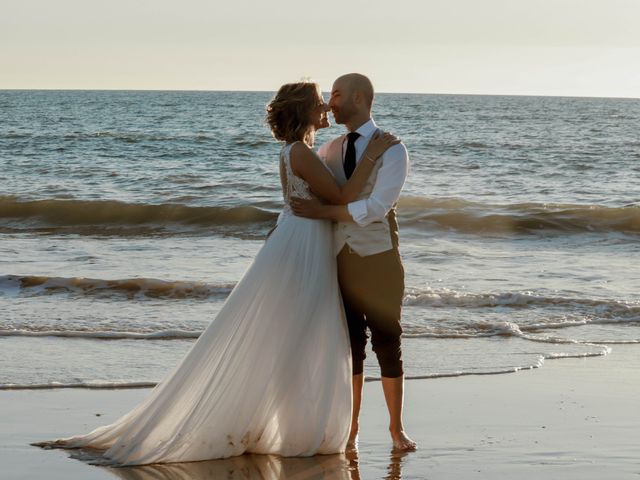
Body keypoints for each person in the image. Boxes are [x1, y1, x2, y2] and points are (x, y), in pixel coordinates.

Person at [31, 81, 399, 466]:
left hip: (301, 239)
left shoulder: (298, 151)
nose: (325, 105)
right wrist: (373, 157)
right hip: (304, 243)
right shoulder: (301, 152)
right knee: (302, 329)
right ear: (303, 111)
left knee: (300, 331)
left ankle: (291, 422)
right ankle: (294, 425)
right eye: (318, 101)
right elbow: (342, 198)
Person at [291, 73, 417, 451]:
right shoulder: (329, 149)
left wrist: (324, 213)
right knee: (350, 346)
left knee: (387, 341)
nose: (331, 102)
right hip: (339, 260)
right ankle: (351, 428)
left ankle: (396, 429)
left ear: (359, 98)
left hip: (378, 259)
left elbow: (378, 208)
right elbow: (323, 192)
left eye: (338, 94)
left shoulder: (393, 149)